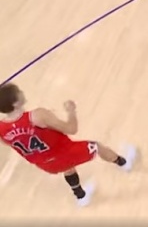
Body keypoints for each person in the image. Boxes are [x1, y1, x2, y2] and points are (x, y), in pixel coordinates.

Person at [0, 84, 137, 207]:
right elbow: (71, 129)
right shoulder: (38, 115)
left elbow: (10, 142)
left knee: (68, 166)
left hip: (45, 164)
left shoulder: (1, 128)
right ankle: (124, 163)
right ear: (16, 103)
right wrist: (71, 111)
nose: (22, 92)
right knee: (97, 147)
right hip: (64, 153)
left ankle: (81, 196)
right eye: (19, 92)